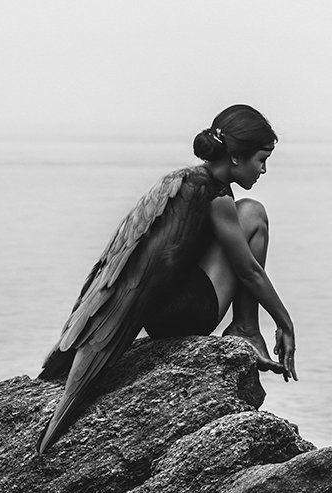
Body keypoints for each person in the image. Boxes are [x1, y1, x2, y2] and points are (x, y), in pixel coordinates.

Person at [36, 104, 296, 453]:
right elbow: (249, 270)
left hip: (160, 313)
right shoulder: (218, 198)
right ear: (236, 156)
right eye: (262, 159)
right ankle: (247, 329)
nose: (264, 169)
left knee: (244, 213)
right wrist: (285, 323)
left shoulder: (186, 180)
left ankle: (247, 329)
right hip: (188, 314)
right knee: (254, 214)